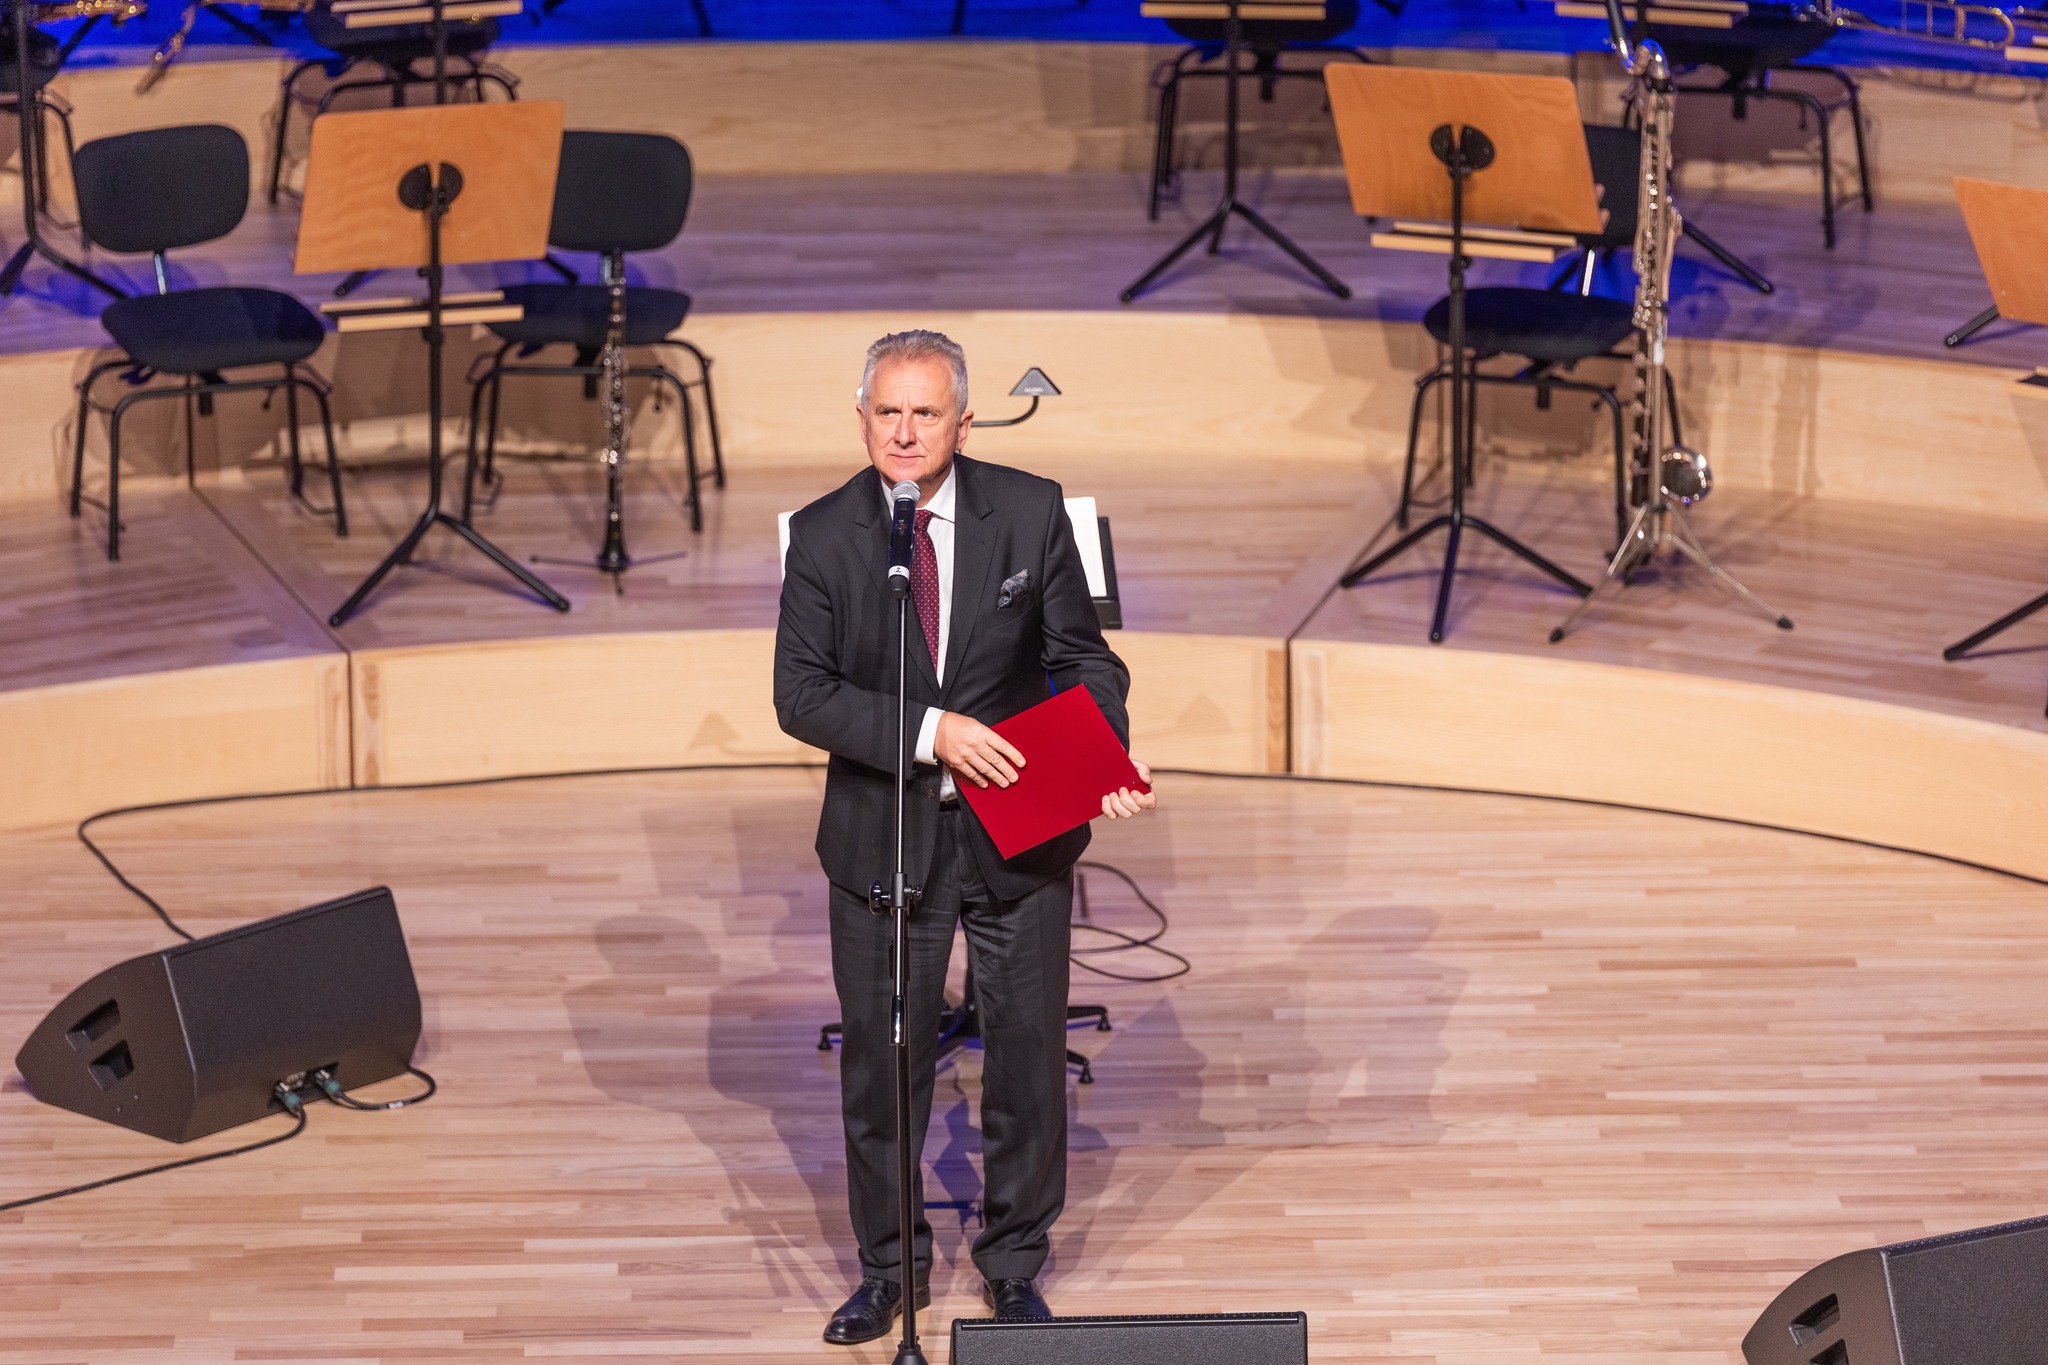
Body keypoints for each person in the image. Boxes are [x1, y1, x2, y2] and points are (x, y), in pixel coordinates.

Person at [775, 330, 1156, 1342]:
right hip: (882, 838)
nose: (903, 432)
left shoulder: (1028, 510)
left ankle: (1013, 1262)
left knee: (1025, 1059)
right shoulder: (822, 536)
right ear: (862, 419)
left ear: (964, 422)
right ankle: (888, 1270)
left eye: (925, 412)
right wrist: (932, 732)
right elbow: (800, 695)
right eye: (886, 412)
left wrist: (1102, 754)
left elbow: (1086, 659)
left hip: (1018, 834)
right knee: (882, 1068)